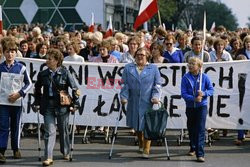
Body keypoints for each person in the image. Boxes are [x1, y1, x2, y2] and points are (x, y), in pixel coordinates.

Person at [34, 48, 80, 166]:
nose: (47, 61)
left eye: (50, 59)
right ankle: (48, 156)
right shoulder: (42, 74)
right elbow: (37, 88)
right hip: (48, 105)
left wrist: (75, 103)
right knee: (49, 131)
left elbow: (75, 88)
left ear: (57, 61)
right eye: (47, 58)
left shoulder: (65, 73)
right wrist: (37, 101)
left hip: (62, 106)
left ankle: (65, 151)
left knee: (63, 130)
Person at [120, 47, 162, 159]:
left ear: (147, 56)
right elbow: (124, 84)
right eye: (138, 54)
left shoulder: (153, 68)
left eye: (142, 55)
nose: (140, 56)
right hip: (134, 101)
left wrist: (155, 97)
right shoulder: (128, 68)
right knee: (137, 124)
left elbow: (157, 85)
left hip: (147, 101)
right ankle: (140, 141)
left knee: (146, 125)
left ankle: (146, 148)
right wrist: (124, 97)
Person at [0, 37, 32, 163]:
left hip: (16, 102)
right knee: (3, 126)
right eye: (7, 51)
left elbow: (29, 84)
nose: (10, 54)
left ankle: (16, 148)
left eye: (12, 51)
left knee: (16, 126)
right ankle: (1, 150)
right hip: (2, 102)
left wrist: (19, 94)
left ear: (15, 52)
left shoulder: (21, 67)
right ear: (3, 52)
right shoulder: (0, 67)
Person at [181, 57, 214, 162]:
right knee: (191, 128)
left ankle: (200, 153)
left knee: (200, 129)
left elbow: (211, 90)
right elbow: (183, 93)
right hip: (190, 107)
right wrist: (194, 99)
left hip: (201, 107)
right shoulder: (185, 78)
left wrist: (203, 94)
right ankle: (193, 146)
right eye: (189, 63)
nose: (190, 65)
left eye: (193, 64)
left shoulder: (204, 77)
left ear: (199, 67)